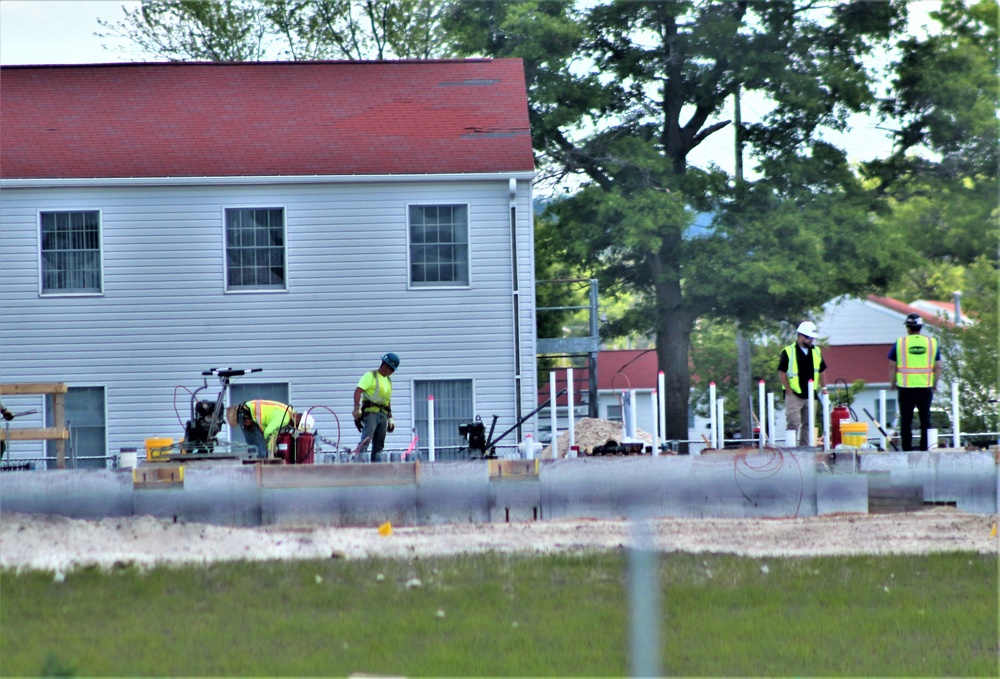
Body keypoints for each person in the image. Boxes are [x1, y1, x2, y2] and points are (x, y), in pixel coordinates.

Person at [889, 313, 942, 451]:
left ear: (908, 328)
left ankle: (907, 448)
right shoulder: (931, 343)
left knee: (906, 420)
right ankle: (926, 448)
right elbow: (938, 366)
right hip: (925, 387)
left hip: (906, 388)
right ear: (921, 327)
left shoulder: (900, 343)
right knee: (925, 418)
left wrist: (892, 382)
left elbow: (891, 365)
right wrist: (934, 383)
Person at [777, 321, 827, 446]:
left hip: (811, 394)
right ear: (801, 336)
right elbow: (781, 372)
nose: (811, 341)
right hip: (794, 393)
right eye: (809, 338)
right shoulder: (788, 351)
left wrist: (824, 387)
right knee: (793, 422)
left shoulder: (816, 351)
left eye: (812, 338)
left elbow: (821, 371)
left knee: (809, 424)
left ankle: (805, 448)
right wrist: (788, 389)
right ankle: (792, 448)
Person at [225, 400, 314, 459]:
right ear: (297, 422)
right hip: (247, 416)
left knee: (258, 449)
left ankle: (255, 474)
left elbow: (270, 430)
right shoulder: (285, 418)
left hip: (247, 413)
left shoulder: (288, 411)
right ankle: (255, 477)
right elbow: (268, 433)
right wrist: (271, 450)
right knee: (260, 450)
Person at [353, 352, 398, 462]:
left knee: (379, 444)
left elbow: (387, 401)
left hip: (383, 414)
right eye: (391, 369)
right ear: (386, 365)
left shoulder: (388, 381)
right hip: (371, 412)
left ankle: (376, 469)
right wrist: (357, 408)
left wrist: (390, 417)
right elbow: (358, 391)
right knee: (366, 440)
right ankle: (358, 465)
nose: (392, 372)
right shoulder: (371, 376)